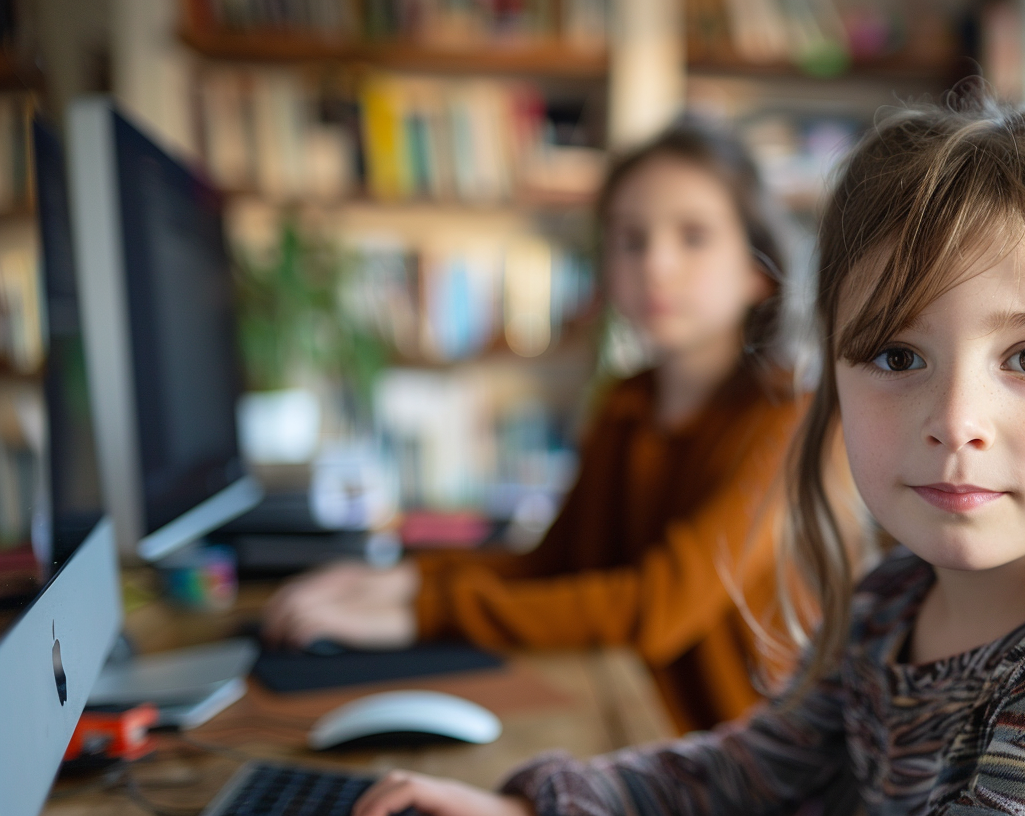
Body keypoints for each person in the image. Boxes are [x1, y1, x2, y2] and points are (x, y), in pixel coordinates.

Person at [349, 96, 1025, 816]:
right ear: (836, 390)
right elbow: (747, 774)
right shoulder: (886, 609)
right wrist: (532, 804)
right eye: (898, 357)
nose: (955, 419)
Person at [262, 121, 813, 734]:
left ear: (758, 270)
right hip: (624, 722)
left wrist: (422, 612)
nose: (656, 264)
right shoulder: (628, 403)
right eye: (630, 239)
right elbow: (555, 564)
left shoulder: (788, 419)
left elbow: (655, 608)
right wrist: (400, 577)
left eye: (694, 236)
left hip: (745, 768)